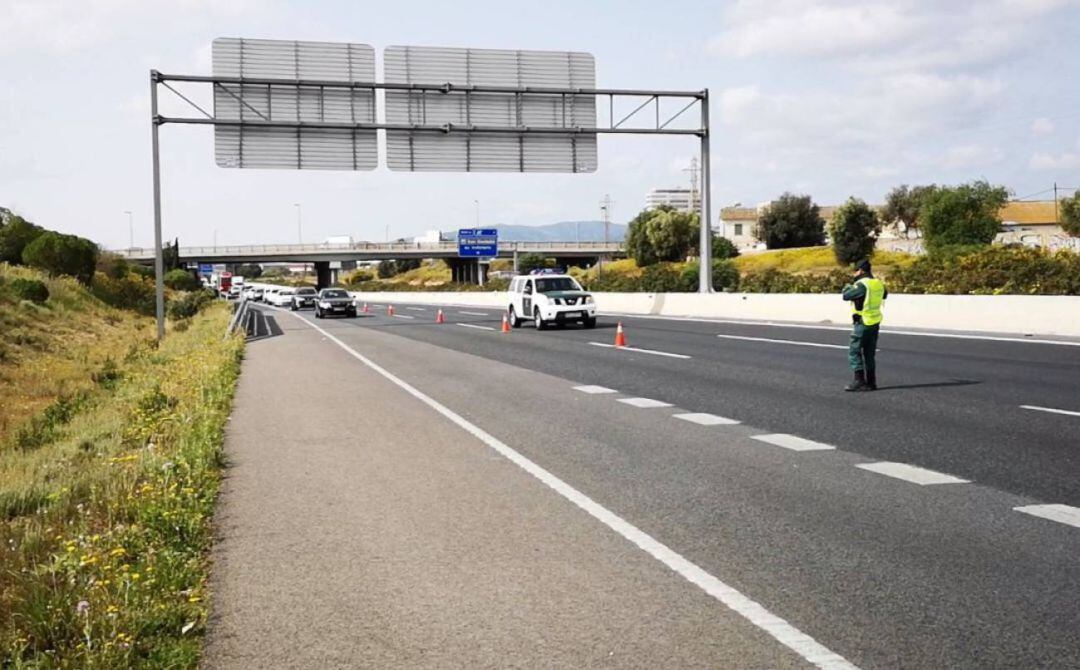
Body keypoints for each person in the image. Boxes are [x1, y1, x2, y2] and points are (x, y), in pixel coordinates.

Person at [841, 258, 887, 392]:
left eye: (855, 271)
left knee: (854, 352)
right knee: (869, 353)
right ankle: (871, 382)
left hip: (862, 322)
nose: (854, 273)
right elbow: (885, 295)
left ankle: (859, 381)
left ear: (860, 271)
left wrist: (848, 286)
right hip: (875, 322)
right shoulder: (878, 283)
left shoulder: (861, 285)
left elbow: (846, 295)